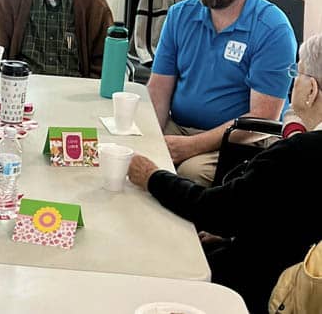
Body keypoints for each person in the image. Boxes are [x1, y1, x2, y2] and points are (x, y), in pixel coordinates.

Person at [128, 33, 322, 314]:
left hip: (259, 288)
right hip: (291, 268)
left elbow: (213, 209)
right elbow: (289, 218)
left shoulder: (299, 153)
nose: (294, 80)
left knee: (154, 253)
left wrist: (151, 177)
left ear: (312, 90)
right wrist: (237, 231)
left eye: (298, 72)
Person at [148, 0, 296, 186]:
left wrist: (191, 146)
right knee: (135, 154)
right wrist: (150, 137)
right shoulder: (180, 15)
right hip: (178, 127)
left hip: (236, 142)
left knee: (186, 175)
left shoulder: (273, 29)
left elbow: (260, 121)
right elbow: (158, 90)